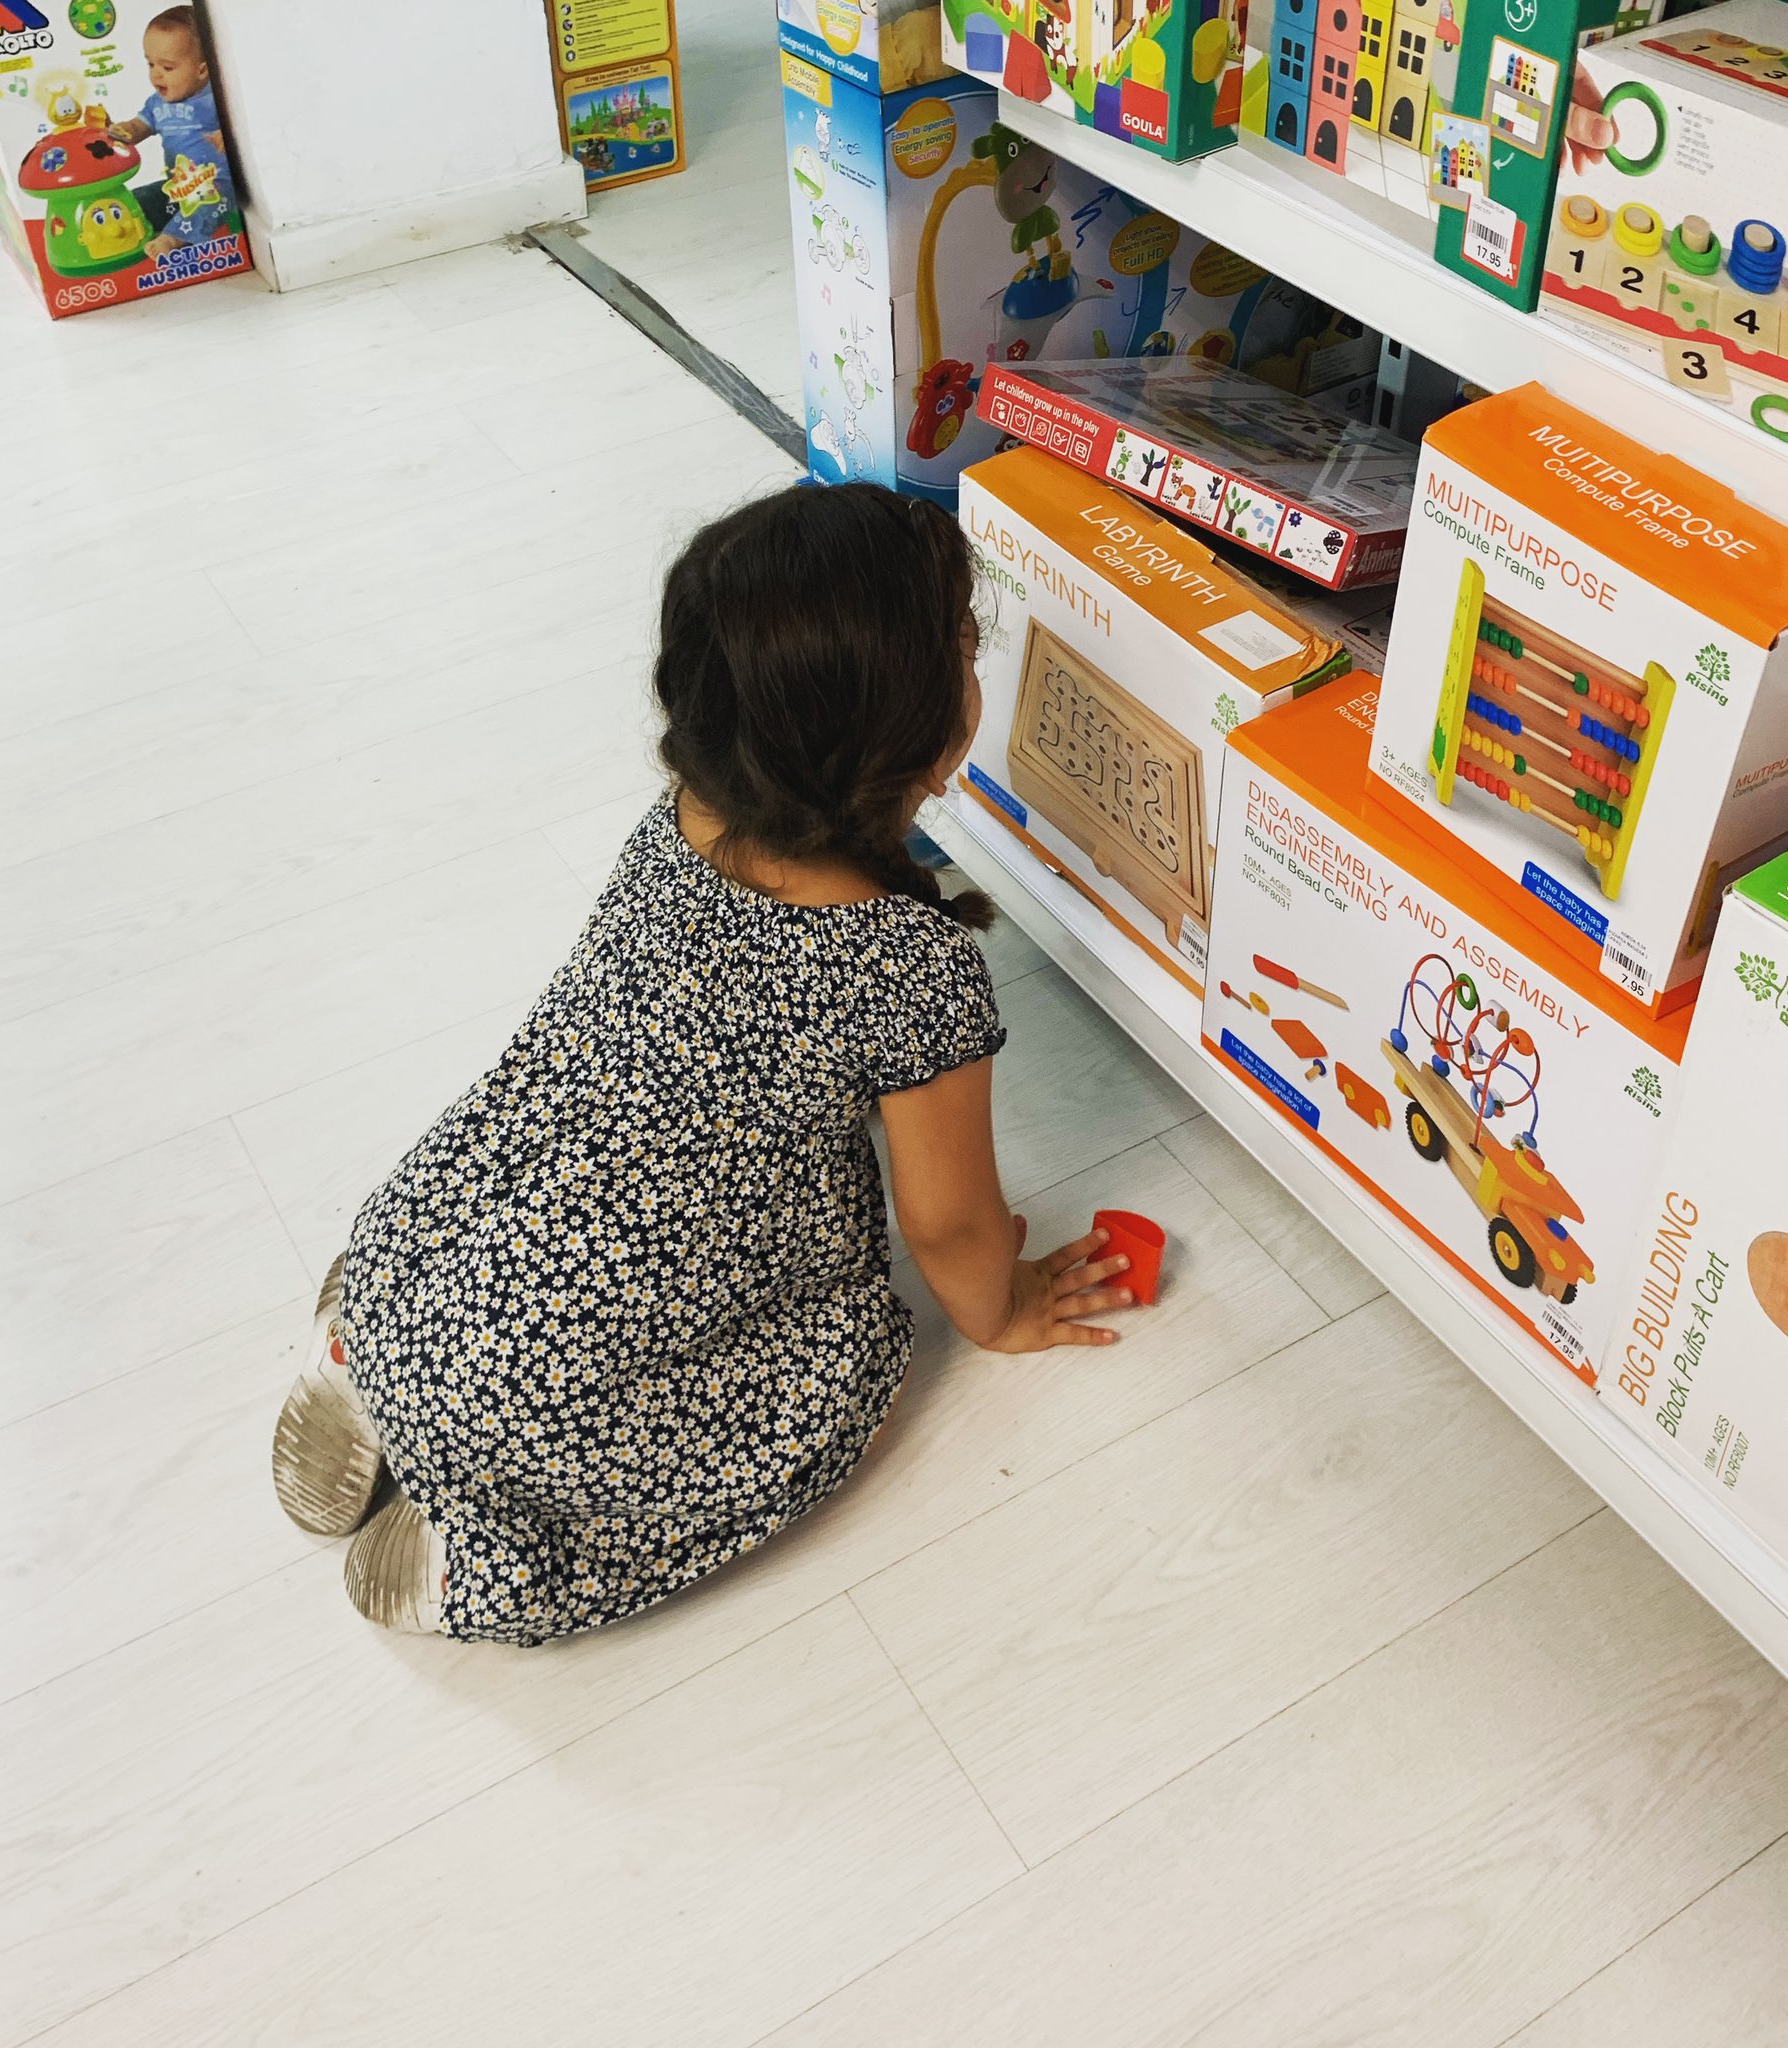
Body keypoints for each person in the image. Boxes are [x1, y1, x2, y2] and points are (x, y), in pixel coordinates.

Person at [270, 483, 1143, 1641]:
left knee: (481, 1231)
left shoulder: (678, 815)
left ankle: (371, 1357)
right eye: (966, 648)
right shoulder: (904, 970)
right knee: (852, 1351)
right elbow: (948, 1226)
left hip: (441, 1244)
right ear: (916, 730)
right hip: (550, 1398)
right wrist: (1004, 1308)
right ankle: (483, 1554)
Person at [105, 6, 235, 258]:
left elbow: (243, 127)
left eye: (167, 67)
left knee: (205, 204)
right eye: (150, 63)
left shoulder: (215, 99)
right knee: (135, 200)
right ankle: (132, 232)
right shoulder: (157, 104)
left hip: (217, 185)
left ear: (202, 70)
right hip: (176, 187)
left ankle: (173, 239)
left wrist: (226, 136)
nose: (155, 75)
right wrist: (118, 131)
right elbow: (138, 128)